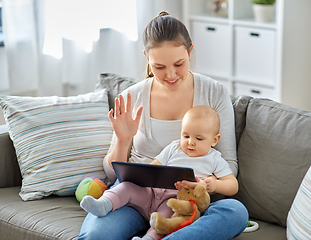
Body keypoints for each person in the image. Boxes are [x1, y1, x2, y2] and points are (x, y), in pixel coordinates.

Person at [78, 11, 248, 240]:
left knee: (235, 212)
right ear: (146, 57)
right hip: (136, 196)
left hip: (185, 202)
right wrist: (122, 139)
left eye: (179, 64)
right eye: (159, 67)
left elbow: (229, 166)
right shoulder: (132, 96)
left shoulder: (214, 93)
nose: (170, 75)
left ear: (189, 52)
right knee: (95, 237)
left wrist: (207, 184)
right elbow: (112, 172)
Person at [80, 105, 239, 240]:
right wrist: (139, 174)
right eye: (186, 135)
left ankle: (149, 238)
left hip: (172, 201)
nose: (190, 142)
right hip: (150, 193)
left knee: (165, 220)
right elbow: (154, 167)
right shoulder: (174, 147)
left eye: (199, 138)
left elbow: (233, 185)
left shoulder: (214, 159)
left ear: (214, 140)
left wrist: (214, 184)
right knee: (126, 187)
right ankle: (103, 204)